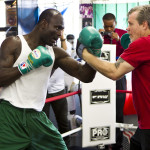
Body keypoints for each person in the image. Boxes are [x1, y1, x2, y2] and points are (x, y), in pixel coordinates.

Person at [0, 8, 97, 150]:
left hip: (37, 117)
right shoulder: (14, 43)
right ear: (44, 24)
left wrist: (94, 55)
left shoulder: (55, 53)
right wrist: (27, 65)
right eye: (57, 28)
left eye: (62, 29)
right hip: (9, 115)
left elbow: (85, 75)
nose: (60, 33)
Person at [78, 4, 150, 150]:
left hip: (148, 123)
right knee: (135, 144)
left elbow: (114, 72)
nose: (127, 28)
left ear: (144, 24)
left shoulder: (143, 43)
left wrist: (84, 53)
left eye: (131, 24)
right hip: (144, 123)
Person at [99, 13, 127, 150]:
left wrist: (120, 39)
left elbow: (131, 50)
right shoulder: (99, 35)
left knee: (118, 113)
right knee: (102, 109)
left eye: (111, 26)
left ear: (115, 23)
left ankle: (118, 144)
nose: (109, 29)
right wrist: (97, 37)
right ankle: (103, 142)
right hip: (102, 77)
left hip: (120, 76)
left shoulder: (123, 34)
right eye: (106, 26)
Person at [43, 30, 71, 148]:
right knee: (43, 122)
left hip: (58, 90)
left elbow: (66, 51)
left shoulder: (62, 49)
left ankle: (66, 146)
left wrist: (62, 36)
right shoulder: (41, 48)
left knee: (63, 121)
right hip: (43, 90)